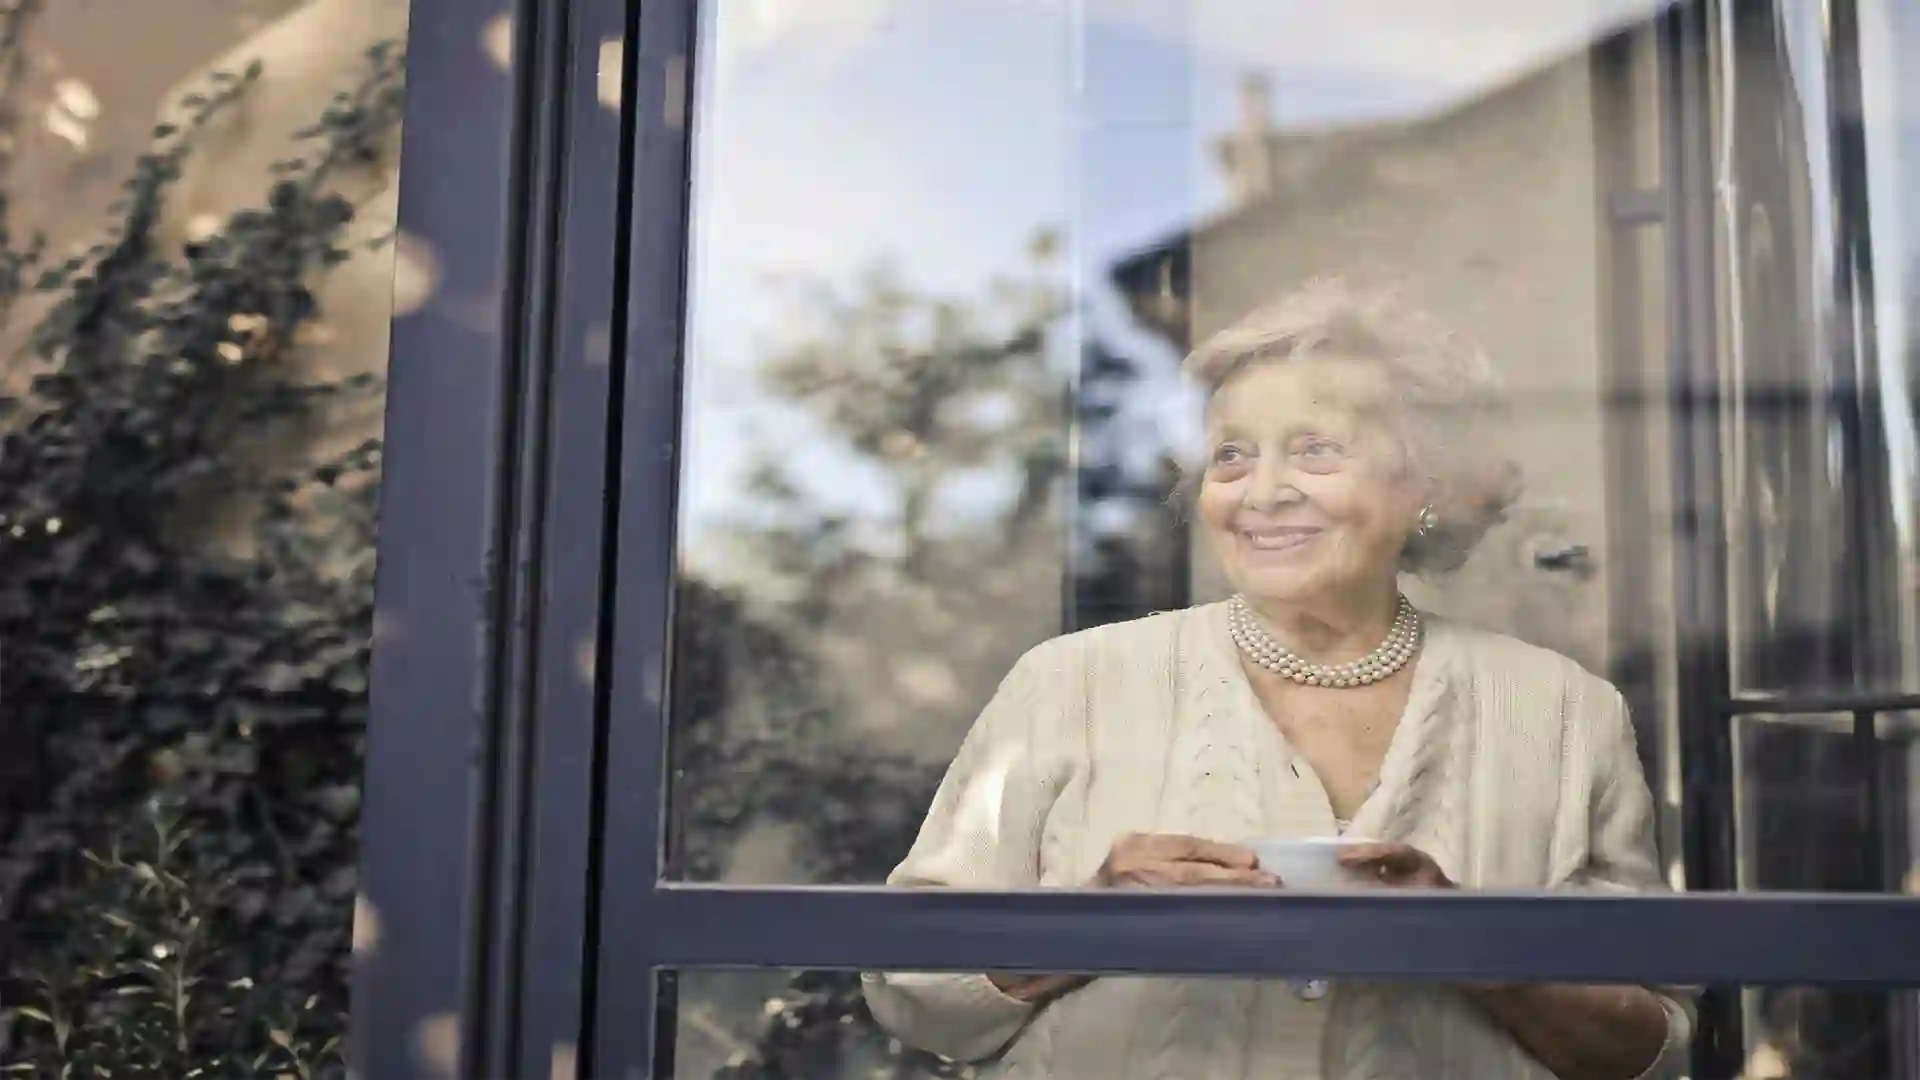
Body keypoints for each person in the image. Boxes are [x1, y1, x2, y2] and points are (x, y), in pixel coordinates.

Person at [861, 280, 1692, 1080]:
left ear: (1425, 487)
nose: (1263, 493)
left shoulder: (1562, 713)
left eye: (1314, 450)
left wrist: (1467, 942)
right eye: (1231, 456)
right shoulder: (1066, 684)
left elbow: (1650, 1043)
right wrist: (1095, 915)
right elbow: (914, 991)